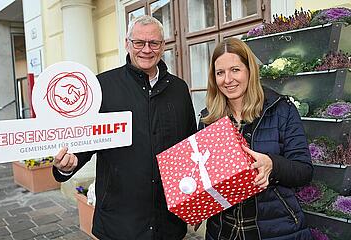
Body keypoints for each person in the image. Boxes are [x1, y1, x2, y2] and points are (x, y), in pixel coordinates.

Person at [52, 15, 197, 240]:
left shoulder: (179, 89)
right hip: (118, 223)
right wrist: (66, 166)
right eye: (139, 42)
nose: (146, 50)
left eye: (153, 43)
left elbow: (190, 150)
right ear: (127, 43)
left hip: (167, 223)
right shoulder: (101, 87)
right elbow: (82, 144)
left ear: (163, 46)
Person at [198, 38, 314, 240]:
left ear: (249, 70)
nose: (227, 79)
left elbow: (304, 170)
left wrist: (272, 165)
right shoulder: (209, 119)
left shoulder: (281, 110)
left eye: (235, 70)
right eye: (220, 73)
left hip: (276, 230)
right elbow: (204, 177)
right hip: (223, 232)